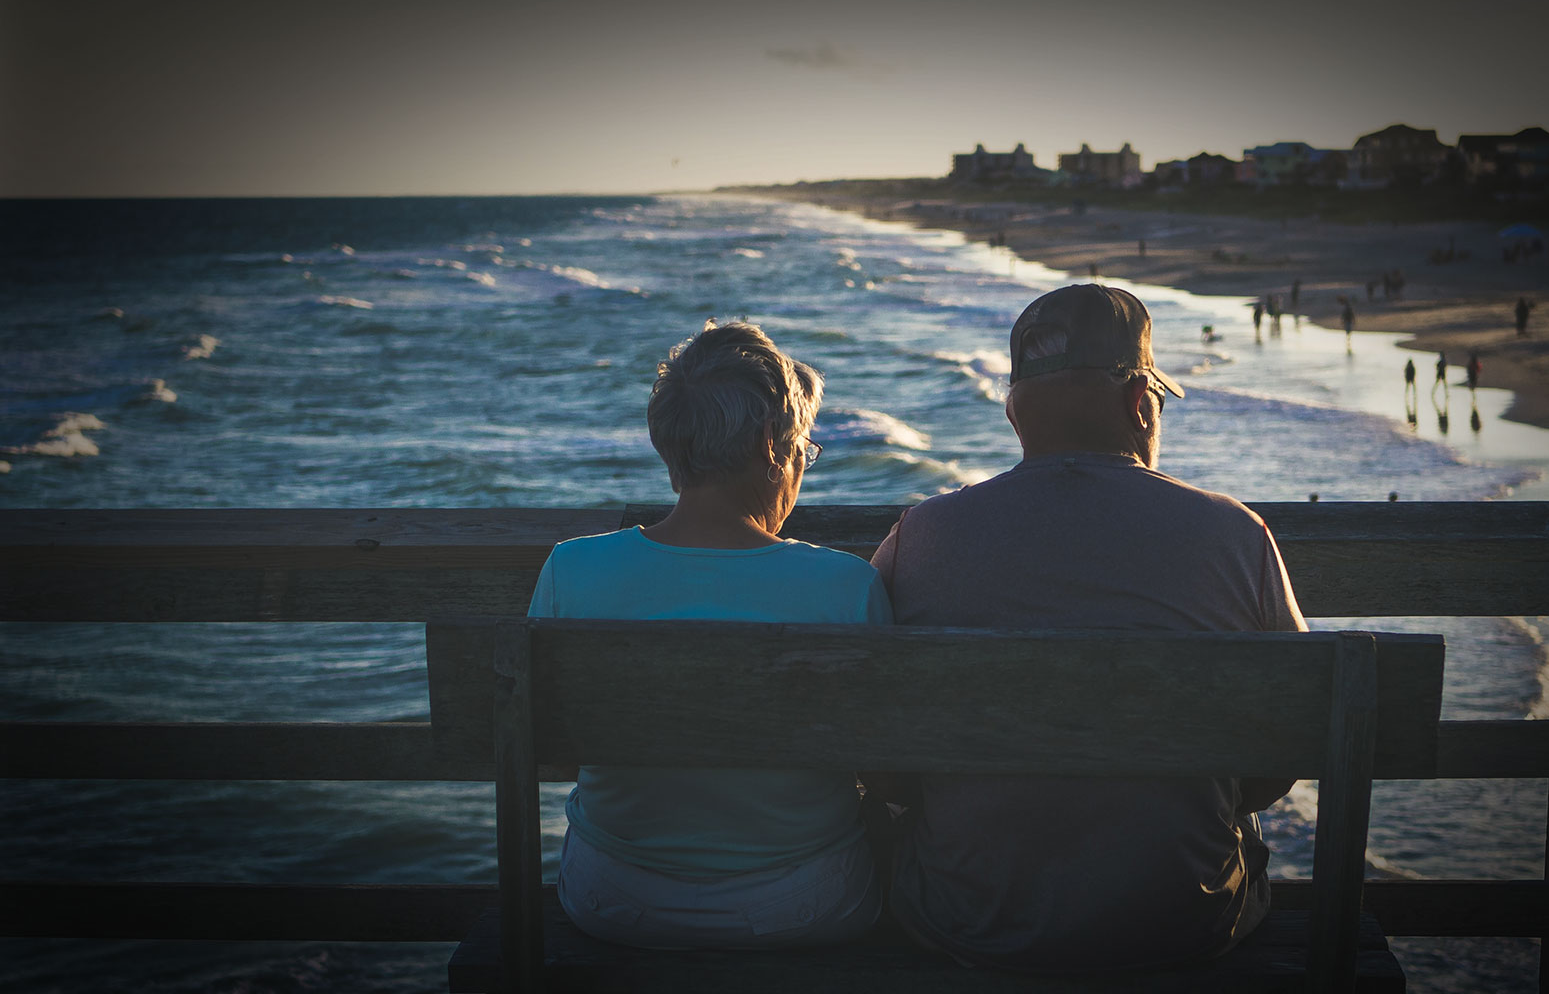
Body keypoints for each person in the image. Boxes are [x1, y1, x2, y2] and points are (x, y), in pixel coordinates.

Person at [868, 285, 1305, 972]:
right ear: (1140, 404)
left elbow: (875, 739)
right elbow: (1296, 732)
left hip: (968, 921)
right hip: (1185, 923)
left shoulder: (920, 535)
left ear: (1015, 413)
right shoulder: (1235, 533)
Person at [530, 320, 888, 950]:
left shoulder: (571, 568)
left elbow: (550, 747)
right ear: (772, 447)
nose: (803, 465)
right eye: (804, 447)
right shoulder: (845, 586)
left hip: (611, 897)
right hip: (804, 903)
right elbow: (887, 767)